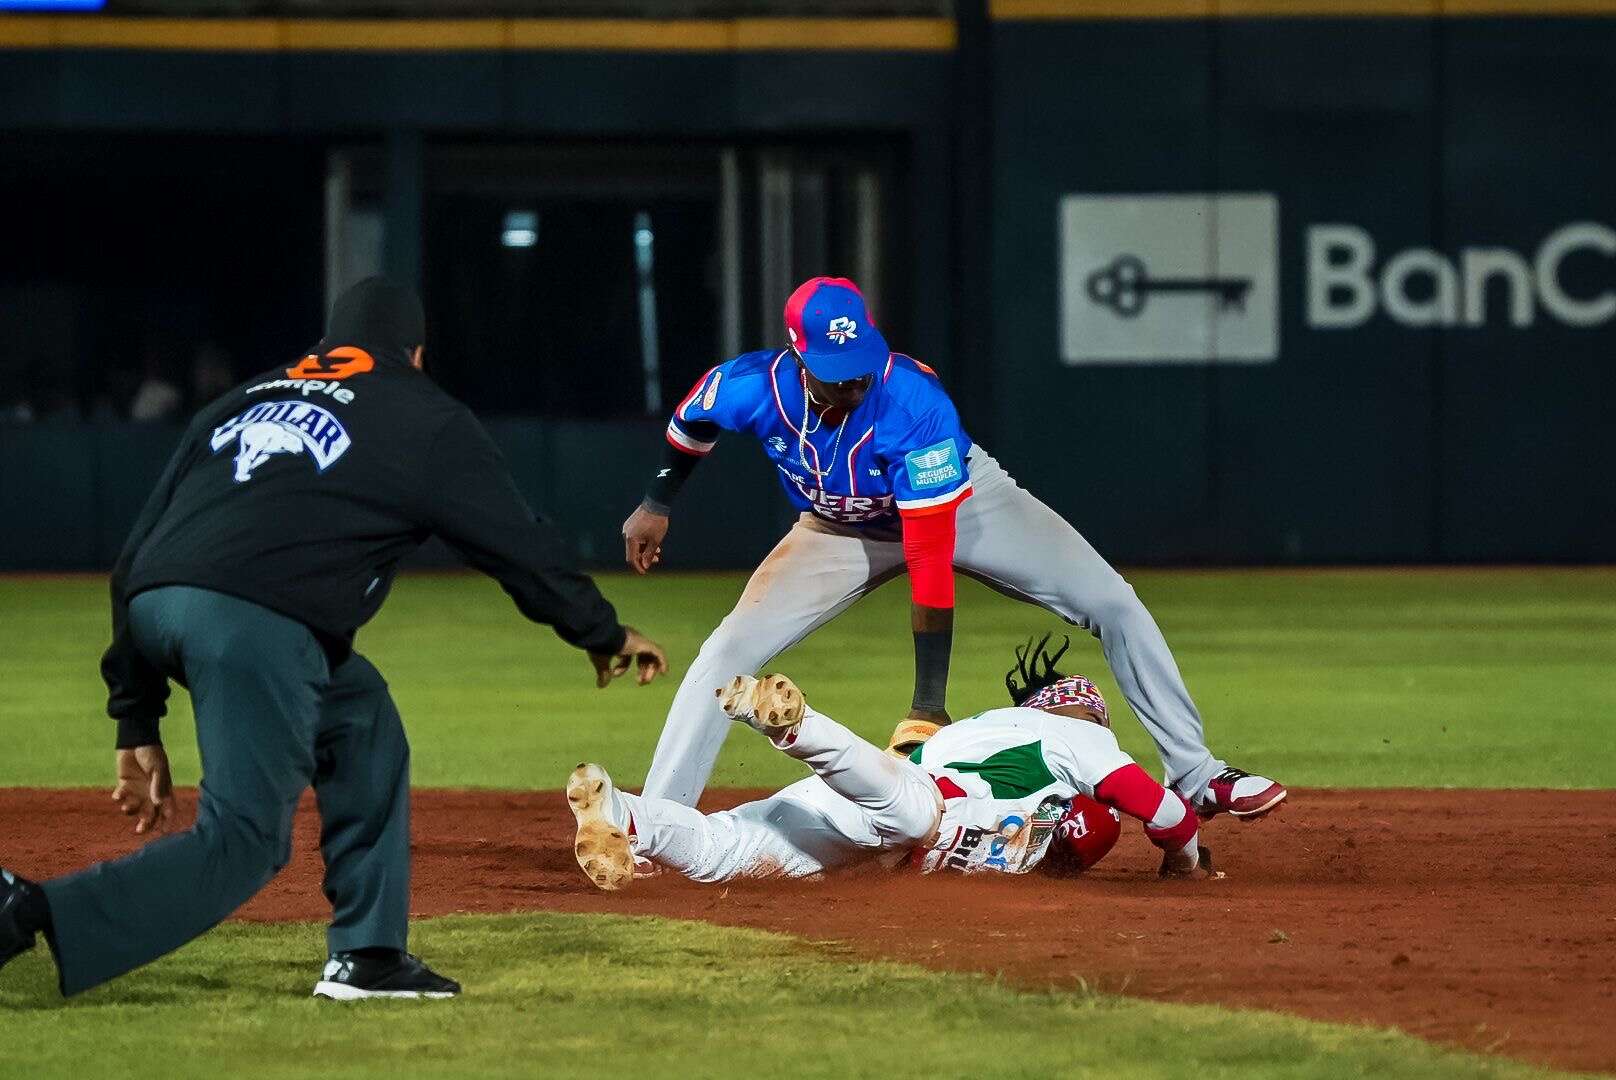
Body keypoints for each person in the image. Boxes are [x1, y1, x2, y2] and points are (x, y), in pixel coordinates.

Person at [0, 278, 669, 1001]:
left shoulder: (244, 398)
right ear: (415, 352)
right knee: (246, 839)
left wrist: (136, 714)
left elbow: (134, 557)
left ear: (331, 341)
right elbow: (515, 544)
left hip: (157, 605)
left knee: (360, 718)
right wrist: (598, 631)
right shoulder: (422, 413)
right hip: (255, 621)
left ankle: (369, 954)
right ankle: (26, 911)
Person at [621, 276, 1284, 822]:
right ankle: (660, 823)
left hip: (963, 507)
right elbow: (691, 424)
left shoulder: (912, 402)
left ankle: (1197, 776)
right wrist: (658, 501)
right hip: (834, 530)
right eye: (833, 374)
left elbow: (930, 557)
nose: (851, 385)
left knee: (1112, 601)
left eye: (858, 370)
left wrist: (927, 702)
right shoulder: (748, 387)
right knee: (726, 653)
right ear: (796, 359)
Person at [566, 635, 1218, 890]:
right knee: (911, 810)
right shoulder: (1079, 738)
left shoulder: (991, 727)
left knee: (720, 852)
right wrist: (1181, 857)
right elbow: (1165, 811)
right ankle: (797, 726)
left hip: (878, 819)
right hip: (917, 806)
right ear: (1085, 713)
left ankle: (624, 817)